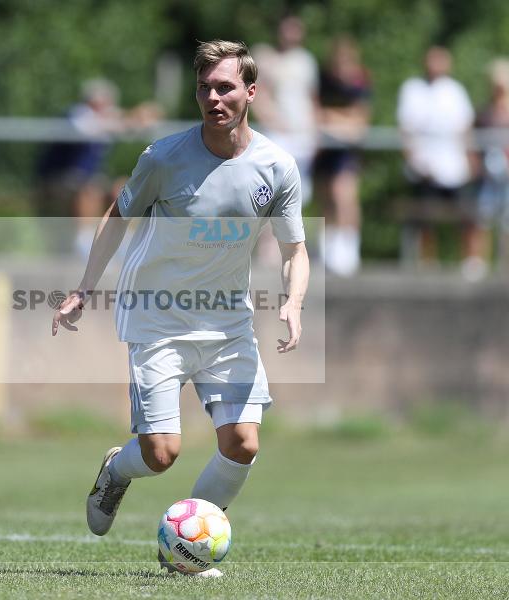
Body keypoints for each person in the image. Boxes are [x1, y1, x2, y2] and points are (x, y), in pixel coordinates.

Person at [51, 40, 309, 578]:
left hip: (228, 323)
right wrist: (83, 287)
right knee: (161, 452)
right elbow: (118, 215)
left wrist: (294, 302)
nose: (214, 97)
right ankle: (115, 471)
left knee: (242, 443)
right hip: (158, 318)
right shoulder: (163, 157)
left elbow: (294, 249)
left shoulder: (277, 167)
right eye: (204, 88)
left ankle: (186, 553)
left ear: (251, 93)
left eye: (225, 87)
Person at [37, 79, 160, 255]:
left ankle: (121, 240)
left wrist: (142, 116)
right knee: (90, 188)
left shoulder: (105, 117)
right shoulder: (77, 114)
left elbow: (122, 121)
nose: (108, 109)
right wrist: (132, 118)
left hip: (88, 178)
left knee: (123, 188)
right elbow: (91, 126)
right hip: (58, 178)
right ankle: (85, 242)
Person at [397, 46, 477, 273]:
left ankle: (471, 262)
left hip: (455, 167)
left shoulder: (455, 91)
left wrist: (471, 161)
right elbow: (406, 130)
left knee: (467, 215)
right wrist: (415, 162)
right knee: (425, 219)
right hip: (425, 168)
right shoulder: (412, 89)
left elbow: (465, 129)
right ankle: (427, 263)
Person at [314, 36, 371, 277]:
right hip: (324, 150)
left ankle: (349, 250)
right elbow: (316, 114)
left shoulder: (360, 83)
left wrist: (331, 118)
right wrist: (339, 120)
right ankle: (328, 250)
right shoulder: (323, 82)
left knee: (344, 196)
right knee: (325, 198)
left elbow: (359, 124)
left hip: (345, 152)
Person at [251, 15, 319, 206]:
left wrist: (314, 132)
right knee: (272, 194)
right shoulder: (266, 57)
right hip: (278, 134)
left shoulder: (306, 61)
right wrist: (273, 123)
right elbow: (257, 96)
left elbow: (313, 99)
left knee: (299, 195)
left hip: (302, 134)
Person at [474, 58, 509, 273]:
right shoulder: (486, 110)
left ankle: (508, 264)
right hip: (488, 172)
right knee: (483, 216)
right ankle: (480, 262)